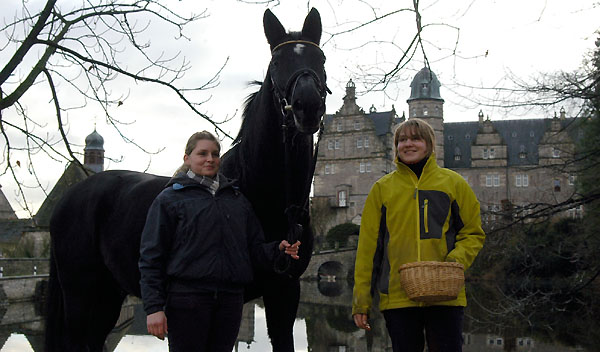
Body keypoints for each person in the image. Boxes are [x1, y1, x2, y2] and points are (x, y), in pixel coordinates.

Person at [139, 131, 300, 352]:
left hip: (229, 302)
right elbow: (151, 257)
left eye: (215, 154)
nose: (210, 159)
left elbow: (252, 249)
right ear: (187, 158)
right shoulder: (170, 199)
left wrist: (277, 250)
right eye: (202, 153)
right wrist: (154, 308)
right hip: (187, 301)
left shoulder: (236, 200)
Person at [352, 118, 485, 352]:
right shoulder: (382, 188)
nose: (408, 144)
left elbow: (473, 233)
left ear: (429, 144)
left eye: (415, 138)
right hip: (397, 296)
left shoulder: (454, 183)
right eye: (402, 140)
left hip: (446, 294)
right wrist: (361, 302)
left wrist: (454, 263)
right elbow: (368, 249)